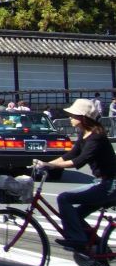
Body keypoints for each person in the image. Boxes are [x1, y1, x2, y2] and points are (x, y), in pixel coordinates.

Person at [35, 98, 116, 252]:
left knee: (64, 198)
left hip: (109, 185)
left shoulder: (96, 137)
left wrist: (51, 165)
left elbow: (79, 161)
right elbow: (70, 155)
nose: (70, 118)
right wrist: (45, 163)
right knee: (75, 216)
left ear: (83, 118)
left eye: (73, 115)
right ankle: (100, 248)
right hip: (101, 183)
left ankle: (78, 240)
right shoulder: (84, 135)